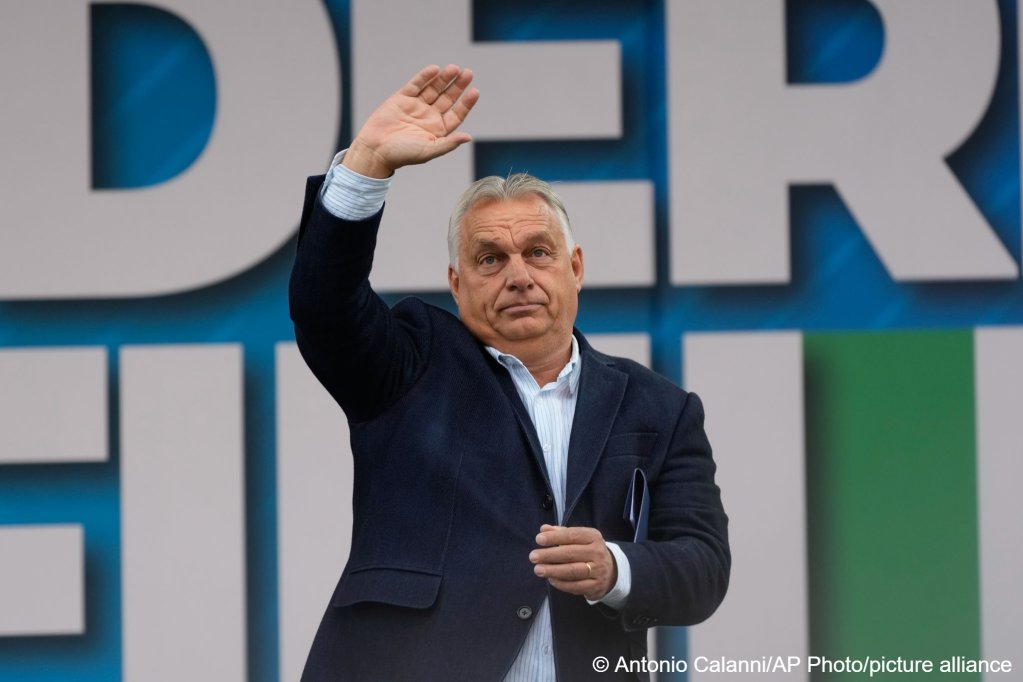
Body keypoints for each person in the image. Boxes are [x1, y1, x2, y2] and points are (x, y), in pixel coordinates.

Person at [290, 64, 729, 681]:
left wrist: (616, 569)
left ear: (575, 267)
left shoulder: (660, 407)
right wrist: (366, 165)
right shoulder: (409, 365)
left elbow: (703, 566)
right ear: (455, 282)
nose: (518, 275)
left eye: (538, 253)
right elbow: (323, 307)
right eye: (490, 258)